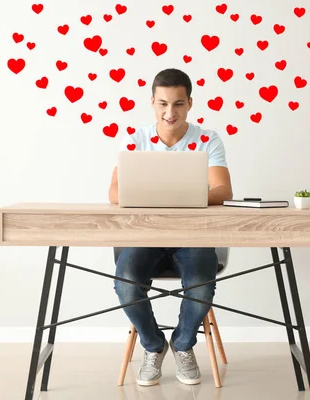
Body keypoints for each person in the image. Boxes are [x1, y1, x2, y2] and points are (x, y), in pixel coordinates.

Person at [108, 68, 233, 386]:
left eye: (178, 104)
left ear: (189, 103)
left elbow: (223, 191)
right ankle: (153, 345)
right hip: (145, 236)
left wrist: (182, 197)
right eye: (163, 103)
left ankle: (183, 343)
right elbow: (114, 193)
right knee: (125, 282)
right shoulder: (136, 140)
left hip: (193, 237)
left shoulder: (207, 139)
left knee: (202, 284)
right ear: (152, 102)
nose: (170, 112)